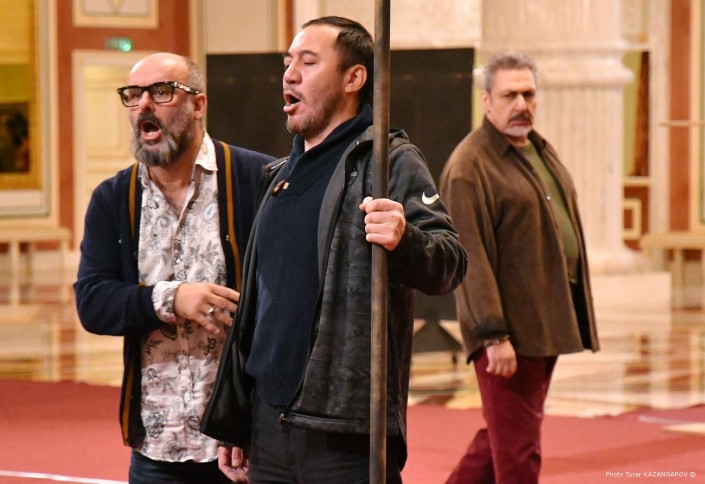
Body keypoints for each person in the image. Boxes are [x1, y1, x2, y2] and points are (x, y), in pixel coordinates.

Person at [200, 16, 467, 483]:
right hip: (267, 427)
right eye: (287, 63)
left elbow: (450, 262)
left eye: (307, 62)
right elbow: (258, 310)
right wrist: (237, 419)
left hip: (344, 433)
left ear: (353, 78)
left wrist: (405, 239)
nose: (289, 75)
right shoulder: (278, 177)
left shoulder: (388, 161)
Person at [74, 52, 275, 483]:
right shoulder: (113, 199)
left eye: (161, 92)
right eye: (133, 95)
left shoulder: (259, 178)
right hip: (157, 447)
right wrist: (172, 298)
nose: (144, 105)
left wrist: (256, 423)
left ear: (198, 104)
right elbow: (92, 303)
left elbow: (290, 305)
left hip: (244, 443)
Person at [439, 51, 600, 483]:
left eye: (528, 94)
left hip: (544, 322)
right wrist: (494, 335)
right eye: (509, 95)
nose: (521, 104)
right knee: (518, 453)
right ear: (486, 100)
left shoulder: (538, 149)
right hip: (510, 331)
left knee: (502, 439)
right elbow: (470, 258)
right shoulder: (470, 166)